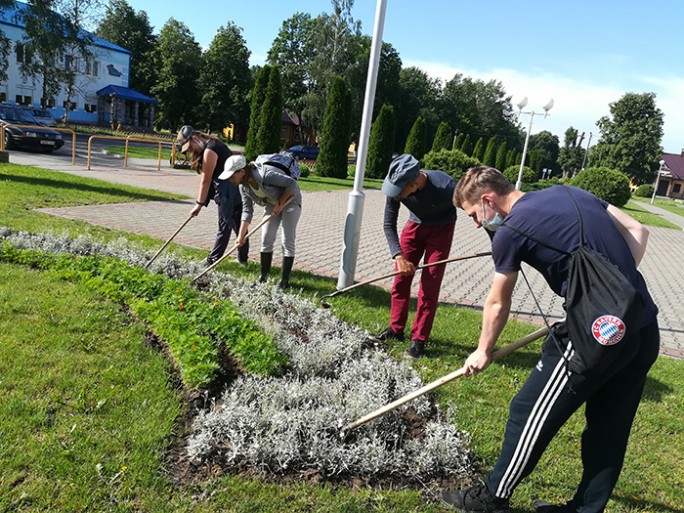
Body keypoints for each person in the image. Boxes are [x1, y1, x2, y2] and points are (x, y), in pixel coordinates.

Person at [441, 166, 659, 513]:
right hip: (644, 326)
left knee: (528, 410)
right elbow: (638, 230)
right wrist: (612, 299)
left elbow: (498, 300)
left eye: (473, 215)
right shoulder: (571, 191)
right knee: (609, 428)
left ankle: (490, 499)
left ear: (487, 200)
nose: (477, 225)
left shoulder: (511, 230)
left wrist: (483, 350)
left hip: (594, 337)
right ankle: (586, 509)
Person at [368, 153, 457, 359]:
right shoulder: (396, 188)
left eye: (401, 191)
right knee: (400, 280)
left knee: (429, 285)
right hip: (415, 226)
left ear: (415, 182)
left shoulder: (447, 187)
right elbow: (388, 224)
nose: (396, 195)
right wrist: (398, 256)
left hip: (441, 230)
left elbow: (475, 206)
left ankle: (419, 340)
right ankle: (396, 329)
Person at [218, 154, 302, 288]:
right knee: (266, 237)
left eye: (232, 176)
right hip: (272, 202)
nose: (230, 179)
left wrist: (280, 204)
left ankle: (284, 281)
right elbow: (247, 211)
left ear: (242, 171)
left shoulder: (266, 175)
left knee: (287, 239)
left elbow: (292, 184)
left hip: (290, 200)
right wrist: (241, 236)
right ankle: (263, 277)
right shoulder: (243, 186)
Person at [175, 125, 248, 265]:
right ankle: (242, 260)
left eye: (190, 147)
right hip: (233, 188)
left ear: (195, 138)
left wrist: (199, 204)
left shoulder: (210, 150)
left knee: (225, 225)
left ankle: (212, 260)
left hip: (227, 190)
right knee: (238, 224)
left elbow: (206, 180)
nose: (191, 151)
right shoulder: (214, 144)